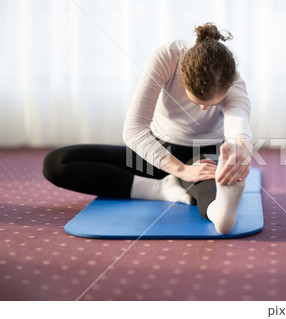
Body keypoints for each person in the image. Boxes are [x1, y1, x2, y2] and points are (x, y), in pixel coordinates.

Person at [43, 22, 253, 234]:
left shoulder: (230, 78)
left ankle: (221, 215)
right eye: (198, 100)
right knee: (57, 163)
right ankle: (161, 189)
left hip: (204, 155)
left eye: (213, 103)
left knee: (211, 189)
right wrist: (181, 170)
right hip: (156, 153)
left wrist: (242, 145)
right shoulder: (168, 57)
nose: (203, 108)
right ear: (184, 78)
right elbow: (133, 130)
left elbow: (238, 121)